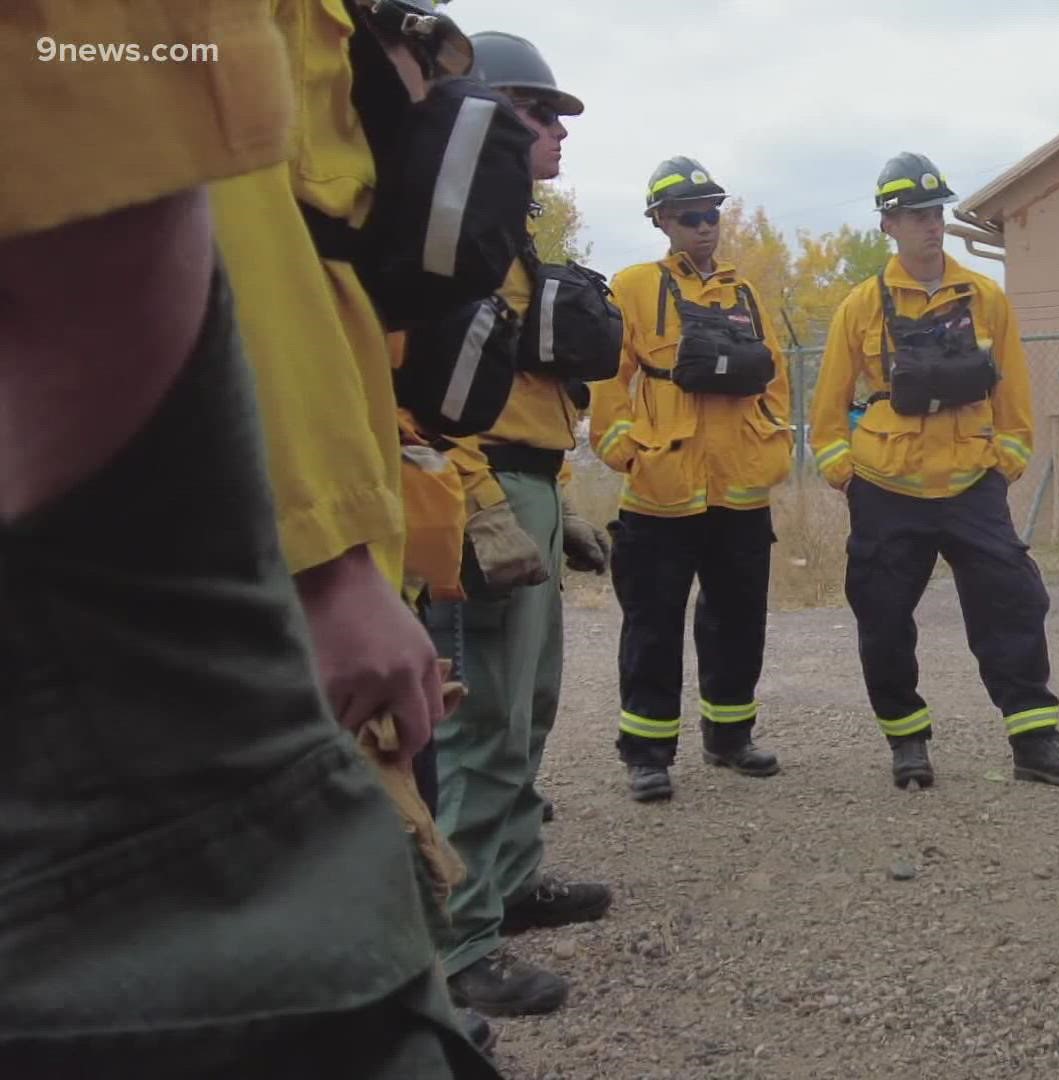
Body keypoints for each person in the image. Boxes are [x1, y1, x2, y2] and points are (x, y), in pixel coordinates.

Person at [0, 4, 497, 1075]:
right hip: (157, 559)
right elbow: (143, 214)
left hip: (274, 511)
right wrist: (323, 568)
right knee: (279, 993)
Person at [420, 29, 614, 1018]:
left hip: (526, 481)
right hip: (476, 488)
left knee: (528, 710)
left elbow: (522, 392)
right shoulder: (444, 237)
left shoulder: (505, 238)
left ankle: (509, 882)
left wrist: (559, 506)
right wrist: (482, 501)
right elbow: (420, 395)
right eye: (539, 114)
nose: (556, 132)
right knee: (482, 722)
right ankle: (459, 947)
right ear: (484, 116)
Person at [807, 152, 1059, 793]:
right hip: (886, 486)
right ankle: (907, 740)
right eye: (915, 215)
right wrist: (844, 473)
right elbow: (827, 410)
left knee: (1012, 604)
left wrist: (1008, 459)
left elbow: (1015, 396)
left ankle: (1034, 741)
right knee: (882, 615)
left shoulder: (985, 298)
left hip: (972, 481)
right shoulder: (861, 307)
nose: (930, 225)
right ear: (888, 223)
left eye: (936, 212)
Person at [589, 157, 794, 803]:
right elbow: (606, 376)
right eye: (690, 216)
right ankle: (647, 755)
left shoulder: (746, 294)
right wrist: (625, 449)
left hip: (739, 486)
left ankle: (730, 738)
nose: (706, 226)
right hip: (661, 489)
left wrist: (777, 442)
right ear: (660, 221)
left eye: (713, 212)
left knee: (738, 620)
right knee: (652, 624)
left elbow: (776, 378)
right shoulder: (632, 287)